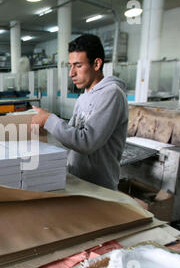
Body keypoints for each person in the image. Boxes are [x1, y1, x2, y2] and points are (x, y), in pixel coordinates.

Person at [31, 34, 128, 190]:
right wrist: (46, 127)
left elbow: (87, 143)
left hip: (100, 188)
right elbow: (71, 138)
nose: (71, 73)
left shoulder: (112, 94)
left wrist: (49, 120)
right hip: (79, 181)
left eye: (78, 65)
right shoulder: (83, 97)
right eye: (70, 65)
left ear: (96, 64)